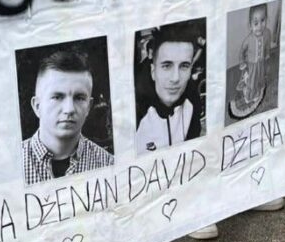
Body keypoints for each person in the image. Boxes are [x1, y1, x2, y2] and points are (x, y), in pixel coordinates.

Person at [22, 49, 114, 184]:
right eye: (57, 97)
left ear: (88, 106)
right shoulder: (11, 168)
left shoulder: (109, 165)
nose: (69, 109)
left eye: (79, 98)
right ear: (37, 106)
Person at [136, 23, 205, 153]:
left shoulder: (192, 100)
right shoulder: (135, 110)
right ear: (153, 70)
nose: (175, 78)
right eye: (167, 66)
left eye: (184, 66)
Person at [229, 3, 273, 118]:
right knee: (251, 81)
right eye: (255, 23)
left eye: (263, 20)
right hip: (252, 65)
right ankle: (249, 95)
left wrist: (267, 54)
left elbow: (267, 45)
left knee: (260, 77)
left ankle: (258, 89)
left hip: (261, 62)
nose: (259, 26)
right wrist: (242, 63)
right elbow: (242, 52)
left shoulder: (267, 33)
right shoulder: (248, 39)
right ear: (250, 25)